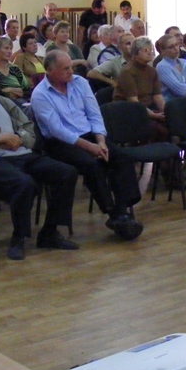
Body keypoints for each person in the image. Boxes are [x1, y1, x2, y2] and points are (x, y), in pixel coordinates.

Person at [0, 61, 79, 260]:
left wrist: (19, 138)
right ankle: (19, 237)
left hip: (21, 153)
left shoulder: (4, 102)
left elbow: (28, 127)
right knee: (24, 183)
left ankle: (50, 232)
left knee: (66, 172)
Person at [32, 51, 144, 241]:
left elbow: (94, 114)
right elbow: (57, 130)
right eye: (65, 69)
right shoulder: (40, 95)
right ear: (50, 71)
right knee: (91, 164)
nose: (71, 71)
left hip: (90, 134)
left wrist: (100, 141)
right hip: (60, 143)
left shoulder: (80, 83)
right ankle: (113, 213)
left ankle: (122, 210)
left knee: (121, 158)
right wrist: (90, 147)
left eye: (71, 66)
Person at [0, 37, 31, 105]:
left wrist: (10, 89)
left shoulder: (15, 68)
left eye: (11, 48)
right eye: (6, 48)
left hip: (22, 102)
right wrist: (17, 91)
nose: (10, 51)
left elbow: (26, 90)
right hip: (1, 104)